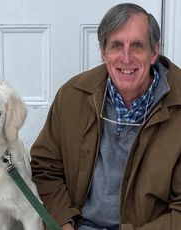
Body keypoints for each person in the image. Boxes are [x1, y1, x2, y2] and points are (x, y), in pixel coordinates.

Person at [30, 3, 181, 230]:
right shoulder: (73, 95)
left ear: (154, 52)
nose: (126, 58)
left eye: (137, 46)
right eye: (116, 45)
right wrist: (63, 221)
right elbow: (45, 167)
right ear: (103, 52)